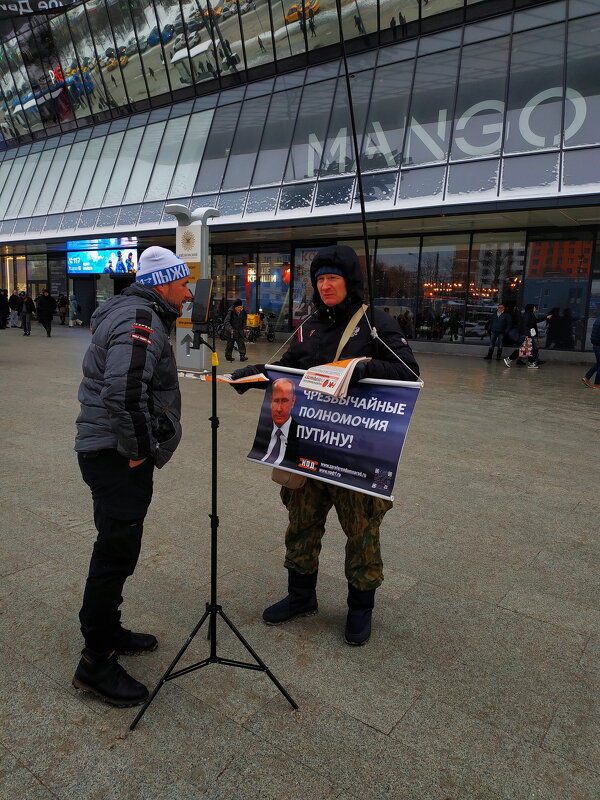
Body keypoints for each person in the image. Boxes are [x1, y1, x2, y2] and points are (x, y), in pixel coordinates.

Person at [231, 245, 419, 646]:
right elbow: (291, 371)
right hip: (308, 448)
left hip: (355, 454)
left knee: (362, 531)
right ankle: (301, 596)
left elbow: (407, 372)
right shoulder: (310, 324)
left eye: (333, 278)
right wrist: (257, 375)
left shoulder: (375, 324)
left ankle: (360, 608)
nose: (325, 285)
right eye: (319, 279)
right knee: (301, 524)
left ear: (349, 282)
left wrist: (363, 367)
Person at [72, 246, 193, 707]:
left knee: (118, 546)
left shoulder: (137, 312)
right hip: (115, 454)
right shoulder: (141, 317)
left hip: (108, 450)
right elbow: (124, 391)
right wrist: (140, 451)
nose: (187, 294)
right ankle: (95, 662)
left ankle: (108, 630)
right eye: (184, 285)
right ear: (165, 283)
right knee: (115, 551)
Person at [258, 378, 300, 467]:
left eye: (285, 401)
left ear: (293, 401)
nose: (279, 409)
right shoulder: (262, 430)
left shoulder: (302, 435)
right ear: (270, 401)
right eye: (276, 401)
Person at [504, 304, 551, 369]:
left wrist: (546, 317)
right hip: (526, 335)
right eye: (534, 307)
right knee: (527, 349)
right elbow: (524, 325)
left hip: (528, 335)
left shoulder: (530, 314)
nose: (535, 309)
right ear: (531, 308)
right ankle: (510, 359)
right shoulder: (527, 315)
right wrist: (526, 335)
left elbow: (535, 321)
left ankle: (530, 363)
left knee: (530, 349)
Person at [224, 298, 248, 362]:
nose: (240, 309)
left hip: (239, 330)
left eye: (241, 307)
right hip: (232, 331)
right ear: (235, 307)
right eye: (238, 307)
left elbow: (243, 321)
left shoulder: (242, 312)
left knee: (241, 343)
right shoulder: (230, 312)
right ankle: (228, 356)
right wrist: (230, 329)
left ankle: (242, 356)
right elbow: (226, 322)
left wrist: (244, 328)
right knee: (230, 345)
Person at [581, 315, 600, 388]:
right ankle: (597, 384)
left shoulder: (598, 319)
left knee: (598, 363)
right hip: (599, 345)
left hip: (596, 345)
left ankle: (586, 378)